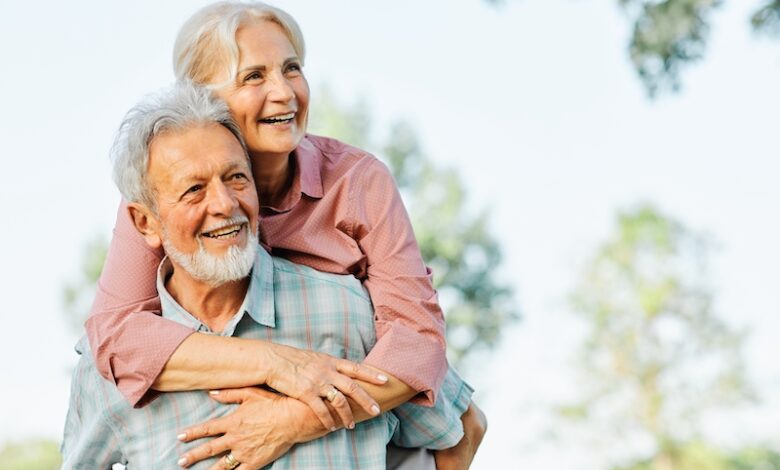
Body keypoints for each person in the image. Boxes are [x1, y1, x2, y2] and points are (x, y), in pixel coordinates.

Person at [85, 1, 486, 468]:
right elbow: (115, 335)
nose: (284, 92)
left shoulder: (358, 181)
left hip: (357, 387)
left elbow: (418, 343)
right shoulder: (167, 191)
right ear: (201, 98)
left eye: (292, 68)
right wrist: (277, 363)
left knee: (464, 420)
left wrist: (291, 420)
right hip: (270, 365)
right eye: (254, 76)